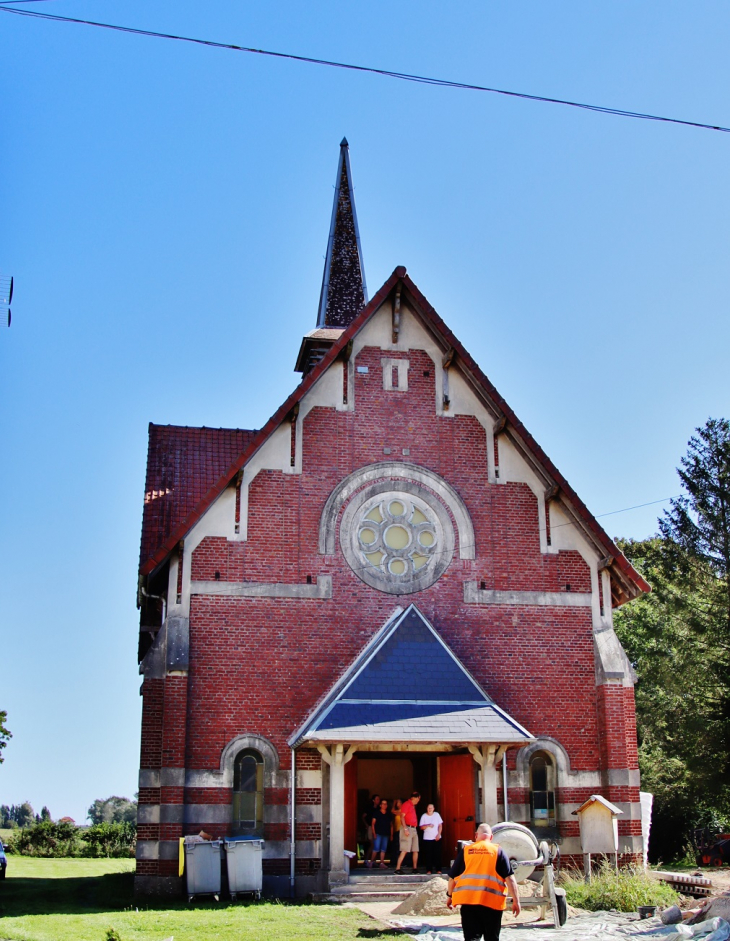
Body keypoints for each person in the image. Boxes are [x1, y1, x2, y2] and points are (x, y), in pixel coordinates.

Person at [446, 823, 521, 941]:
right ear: (491, 837)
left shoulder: (466, 851)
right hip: (492, 904)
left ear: (476, 836)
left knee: (471, 938)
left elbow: (452, 879)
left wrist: (450, 896)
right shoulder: (498, 852)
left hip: (469, 903)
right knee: (492, 938)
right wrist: (516, 900)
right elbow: (510, 878)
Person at [394, 791, 420, 874]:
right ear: (415, 798)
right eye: (418, 798)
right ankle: (397, 869)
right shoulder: (406, 804)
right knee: (405, 849)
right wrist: (405, 829)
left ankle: (415, 868)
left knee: (415, 849)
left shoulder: (413, 806)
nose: (418, 800)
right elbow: (402, 817)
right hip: (407, 828)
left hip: (414, 828)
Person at [368, 798, 393, 869]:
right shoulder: (377, 813)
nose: (384, 805)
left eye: (386, 804)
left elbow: (391, 825)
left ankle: (382, 863)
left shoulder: (389, 814)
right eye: (383, 804)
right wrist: (374, 833)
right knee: (376, 848)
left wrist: (391, 835)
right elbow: (373, 824)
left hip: (386, 834)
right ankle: (371, 862)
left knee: (383, 849)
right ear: (380, 805)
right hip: (378, 834)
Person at [419, 802, 443, 874]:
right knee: (428, 855)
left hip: (436, 838)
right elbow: (421, 827)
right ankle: (428, 870)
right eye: (428, 808)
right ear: (427, 808)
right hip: (427, 838)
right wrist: (428, 825)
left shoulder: (437, 815)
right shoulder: (424, 816)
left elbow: (440, 825)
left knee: (437, 854)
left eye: (431, 808)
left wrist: (439, 834)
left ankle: (438, 869)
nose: (430, 809)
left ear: (433, 809)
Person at [388, 798, 403, 864]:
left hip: (401, 830)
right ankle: (394, 861)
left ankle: (401, 861)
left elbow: (393, 811)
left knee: (400, 846)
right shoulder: (396, 811)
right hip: (396, 830)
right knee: (395, 846)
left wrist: (393, 804)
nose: (398, 804)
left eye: (399, 802)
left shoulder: (403, 811)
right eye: (397, 803)